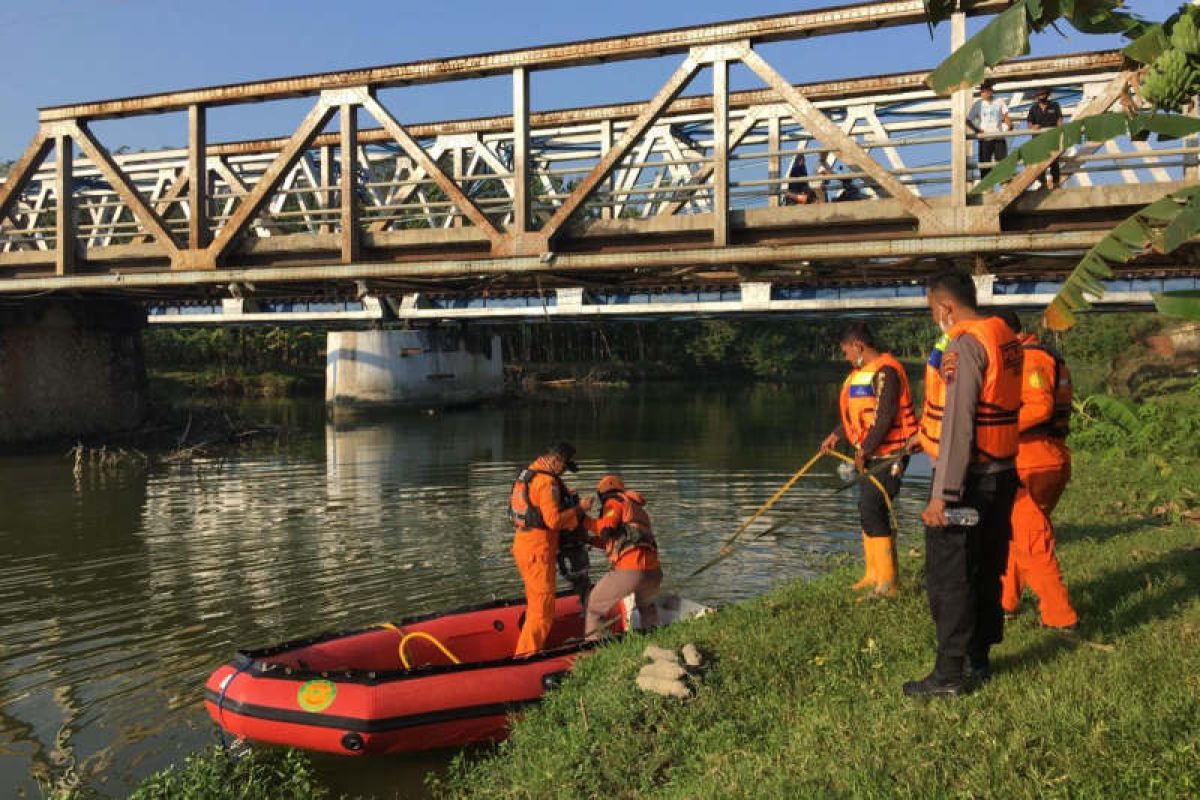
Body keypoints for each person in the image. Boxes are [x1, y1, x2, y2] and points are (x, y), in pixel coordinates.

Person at [904, 272, 1022, 697]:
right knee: (987, 567)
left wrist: (943, 496)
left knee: (949, 576)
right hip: (1002, 472)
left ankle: (949, 674)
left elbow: (958, 428)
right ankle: (980, 657)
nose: (935, 318)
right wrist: (924, 432)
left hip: (967, 481)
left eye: (932, 310)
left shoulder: (964, 346)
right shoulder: (1003, 335)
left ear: (945, 308)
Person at [820, 323, 918, 598]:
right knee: (866, 508)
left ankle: (888, 583)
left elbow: (885, 416)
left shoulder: (887, 371)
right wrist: (836, 435)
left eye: (846, 352)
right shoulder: (860, 375)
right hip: (870, 453)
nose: (846, 357)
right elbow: (857, 414)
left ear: (858, 346)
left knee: (873, 506)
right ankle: (872, 574)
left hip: (891, 453)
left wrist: (864, 452)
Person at [994, 310, 1077, 630]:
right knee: (1016, 535)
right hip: (1044, 456)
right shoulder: (1039, 355)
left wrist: (996, 429)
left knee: (1030, 541)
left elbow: (1040, 407)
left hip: (1034, 460)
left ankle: (1061, 618)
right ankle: (1004, 602)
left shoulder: (1029, 359)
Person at [509, 442, 593, 656]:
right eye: (564, 468)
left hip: (523, 546)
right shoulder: (547, 483)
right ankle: (527, 657)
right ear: (556, 461)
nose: (564, 472)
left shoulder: (529, 473)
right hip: (538, 552)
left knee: (535, 601)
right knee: (542, 610)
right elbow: (553, 521)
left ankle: (532, 648)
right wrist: (579, 508)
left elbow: (535, 506)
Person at [581, 474, 663, 638]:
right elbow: (622, 540)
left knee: (594, 607)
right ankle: (656, 643)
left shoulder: (614, 501)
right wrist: (590, 540)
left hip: (631, 569)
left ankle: (596, 651)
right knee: (647, 609)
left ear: (602, 494)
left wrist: (583, 518)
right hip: (653, 572)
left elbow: (606, 530)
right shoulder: (637, 510)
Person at [968, 82, 1012, 180]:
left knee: (1002, 160)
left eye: (987, 91)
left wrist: (1009, 124)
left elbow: (1005, 116)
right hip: (985, 138)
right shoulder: (977, 104)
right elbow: (968, 120)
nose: (985, 93)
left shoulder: (999, 101)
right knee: (985, 163)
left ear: (991, 91)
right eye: (983, 91)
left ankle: (1004, 182)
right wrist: (977, 130)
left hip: (998, 135)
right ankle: (986, 187)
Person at [1026, 87, 1064, 189]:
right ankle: (1043, 183)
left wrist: (1060, 134)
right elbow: (1029, 124)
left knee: (1054, 162)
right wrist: (1033, 127)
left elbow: (1059, 120)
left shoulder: (1055, 105)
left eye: (1043, 94)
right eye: (1039, 94)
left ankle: (1056, 183)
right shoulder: (1033, 108)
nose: (1041, 96)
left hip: (1052, 139)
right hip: (1038, 140)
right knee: (1039, 162)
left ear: (1047, 95)